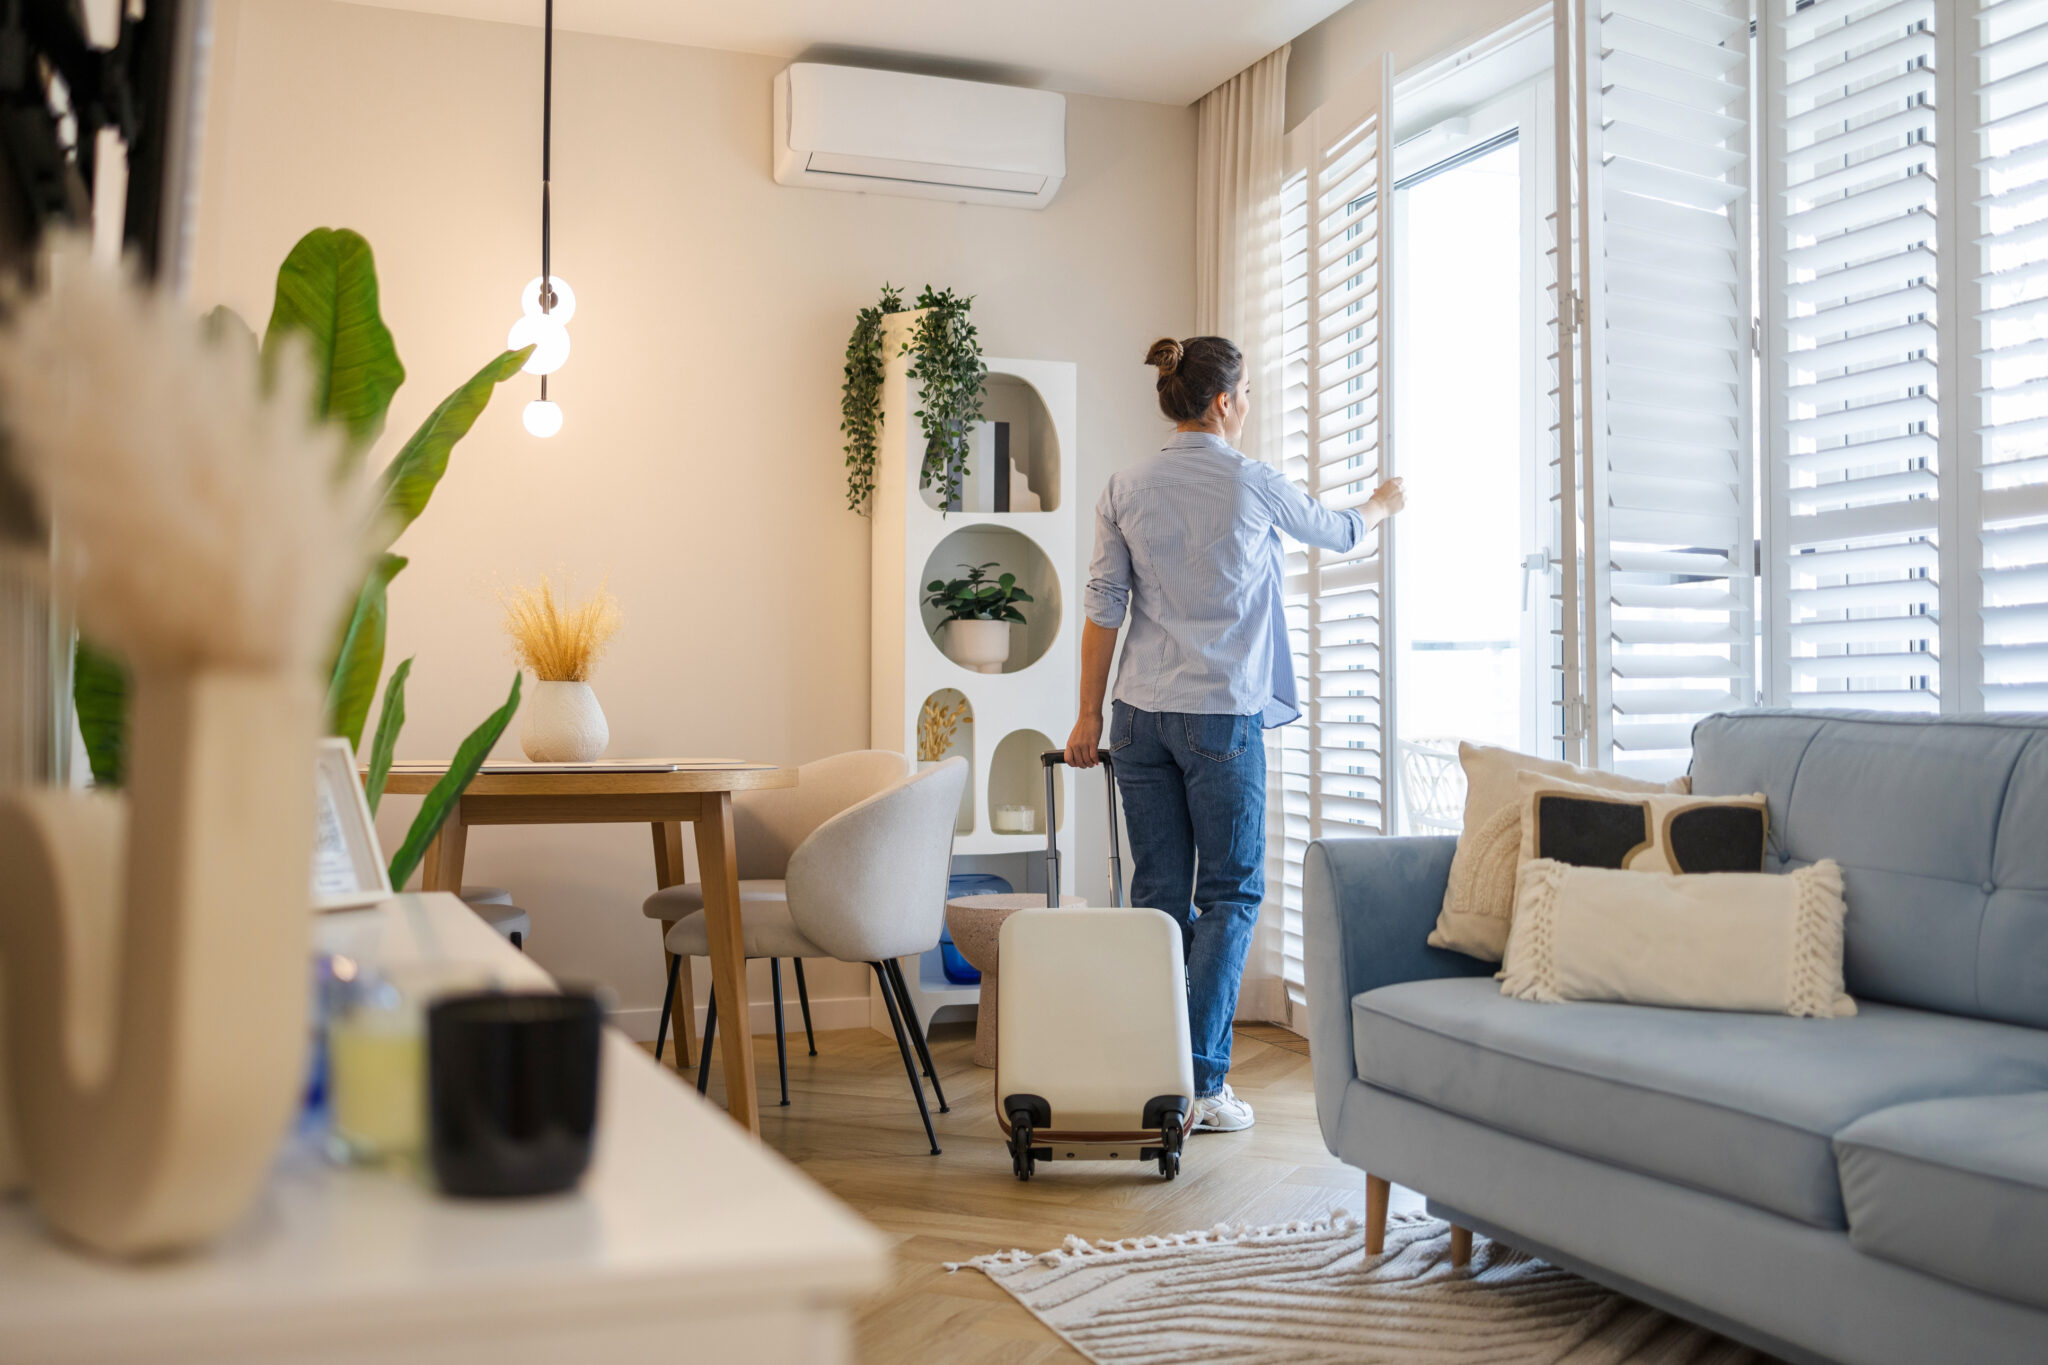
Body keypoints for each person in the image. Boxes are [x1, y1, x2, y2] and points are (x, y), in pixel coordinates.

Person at [1066, 335, 1405, 1133]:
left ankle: (1154, 1076)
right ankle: (1203, 1084)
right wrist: (1385, 500)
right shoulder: (1252, 483)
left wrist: (1087, 714)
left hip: (1137, 718)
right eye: (1246, 392)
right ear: (1222, 401)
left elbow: (1103, 607)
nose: (1248, 404)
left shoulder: (1125, 485)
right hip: (1220, 716)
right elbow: (1341, 531)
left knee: (1158, 896)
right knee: (1229, 893)